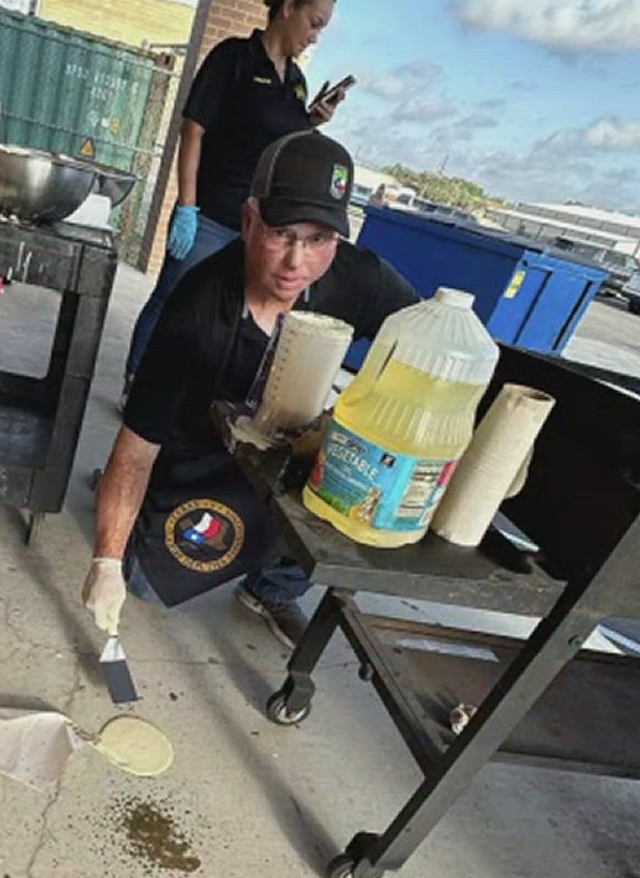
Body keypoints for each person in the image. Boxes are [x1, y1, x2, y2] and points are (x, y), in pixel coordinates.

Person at [82, 131, 421, 649]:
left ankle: (273, 585)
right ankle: (127, 514)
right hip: (207, 452)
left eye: (318, 240)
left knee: (349, 496)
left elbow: (424, 339)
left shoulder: (361, 278)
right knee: (145, 584)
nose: (296, 263)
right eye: (282, 234)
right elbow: (137, 443)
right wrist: (105, 560)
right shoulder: (197, 307)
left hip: (297, 449)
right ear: (248, 220)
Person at [122, 0, 349, 399]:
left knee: (226, 311)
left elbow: (282, 141)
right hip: (209, 213)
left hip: (258, 227)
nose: (315, 36)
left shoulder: (295, 80)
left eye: (323, 30)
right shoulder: (234, 57)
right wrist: (188, 206)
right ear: (288, 7)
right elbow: (193, 130)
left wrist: (311, 121)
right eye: (314, 23)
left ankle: (192, 393)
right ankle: (137, 385)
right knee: (172, 302)